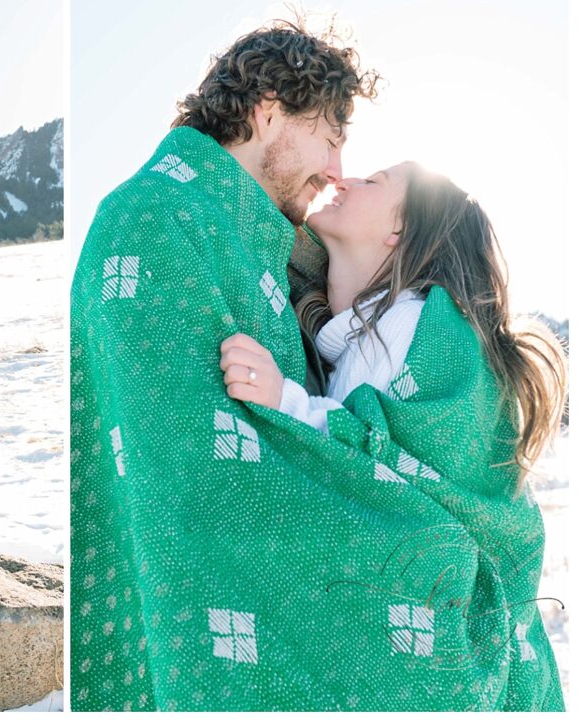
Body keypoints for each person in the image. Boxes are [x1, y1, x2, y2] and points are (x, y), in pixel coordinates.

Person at [69, 16, 384, 711]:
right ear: (268, 111)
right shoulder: (154, 218)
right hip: (201, 628)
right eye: (330, 138)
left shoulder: (258, 235)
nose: (336, 170)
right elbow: (186, 477)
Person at [218, 162, 567, 709]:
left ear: (398, 232)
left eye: (374, 182)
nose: (346, 179)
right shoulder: (365, 336)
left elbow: (393, 481)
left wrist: (286, 401)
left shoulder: (420, 325)